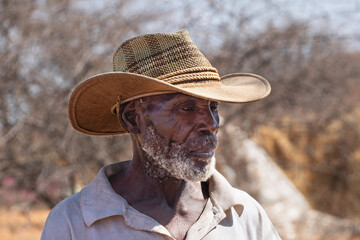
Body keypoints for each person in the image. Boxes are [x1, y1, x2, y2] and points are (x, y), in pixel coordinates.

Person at [41, 30, 280, 240]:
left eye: (213, 107)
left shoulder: (244, 214)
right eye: (187, 108)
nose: (211, 124)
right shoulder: (74, 222)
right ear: (132, 118)